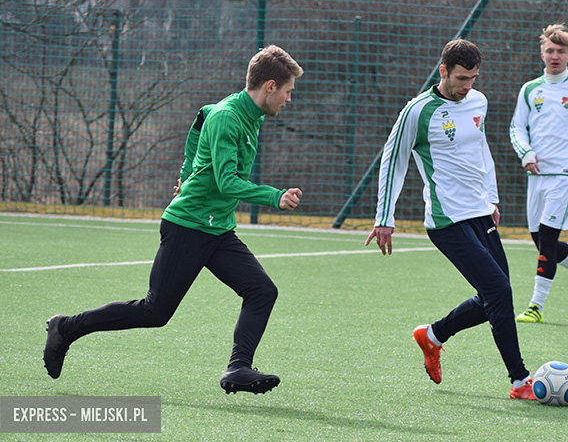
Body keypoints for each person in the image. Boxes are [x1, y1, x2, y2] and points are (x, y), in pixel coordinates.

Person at [43, 45, 305, 394]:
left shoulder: (245, 115)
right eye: (288, 91)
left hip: (217, 229)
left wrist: (186, 173)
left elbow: (200, 118)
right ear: (270, 86)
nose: (289, 99)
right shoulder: (229, 116)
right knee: (155, 311)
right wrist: (275, 196)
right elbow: (227, 181)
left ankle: (238, 368)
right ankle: (66, 328)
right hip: (188, 226)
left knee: (261, 291)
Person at [364, 39, 536, 400]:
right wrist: (385, 217)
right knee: (499, 293)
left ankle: (433, 335)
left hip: (480, 212)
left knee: (495, 298)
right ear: (443, 71)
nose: (467, 86)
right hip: (447, 220)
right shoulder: (417, 111)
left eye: (473, 78)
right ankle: (520, 381)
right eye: (461, 78)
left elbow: (480, 148)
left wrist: (492, 197)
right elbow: (393, 161)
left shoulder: (478, 101)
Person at [509, 24, 568, 323]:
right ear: (542, 53)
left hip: (566, 175)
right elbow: (516, 128)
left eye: (561, 51)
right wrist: (525, 153)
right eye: (550, 50)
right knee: (541, 241)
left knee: (548, 239)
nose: (555, 56)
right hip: (536, 175)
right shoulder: (530, 89)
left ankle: (535, 307)